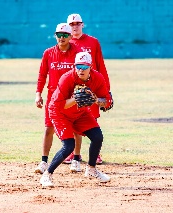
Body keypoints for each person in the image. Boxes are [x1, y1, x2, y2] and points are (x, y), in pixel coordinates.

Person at [39, 51, 112, 187]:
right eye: (78, 66)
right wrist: (76, 99)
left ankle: (91, 169)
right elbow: (59, 105)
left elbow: (106, 101)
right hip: (59, 112)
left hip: (80, 113)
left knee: (97, 137)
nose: (81, 70)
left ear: (90, 67)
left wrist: (96, 99)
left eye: (84, 67)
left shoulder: (97, 78)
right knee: (69, 146)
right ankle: (46, 175)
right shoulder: (67, 78)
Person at [63, 13, 112, 167]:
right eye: (71, 24)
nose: (75, 26)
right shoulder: (65, 43)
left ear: (82, 24)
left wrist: (107, 91)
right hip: (73, 86)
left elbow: (100, 65)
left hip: (92, 86)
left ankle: (95, 152)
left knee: (92, 118)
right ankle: (73, 152)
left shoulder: (93, 42)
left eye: (77, 23)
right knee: (72, 119)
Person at [34, 23, 83, 174]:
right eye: (59, 35)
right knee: (49, 128)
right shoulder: (48, 53)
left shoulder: (78, 52)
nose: (61, 38)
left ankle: (75, 159)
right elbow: (42, 75)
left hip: (72, 98)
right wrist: (38, 94)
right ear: (55, 36)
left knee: (76, 129)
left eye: (65, 35)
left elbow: (84, 71)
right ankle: (43, 161)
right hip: (53, 99)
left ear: (70, 37)